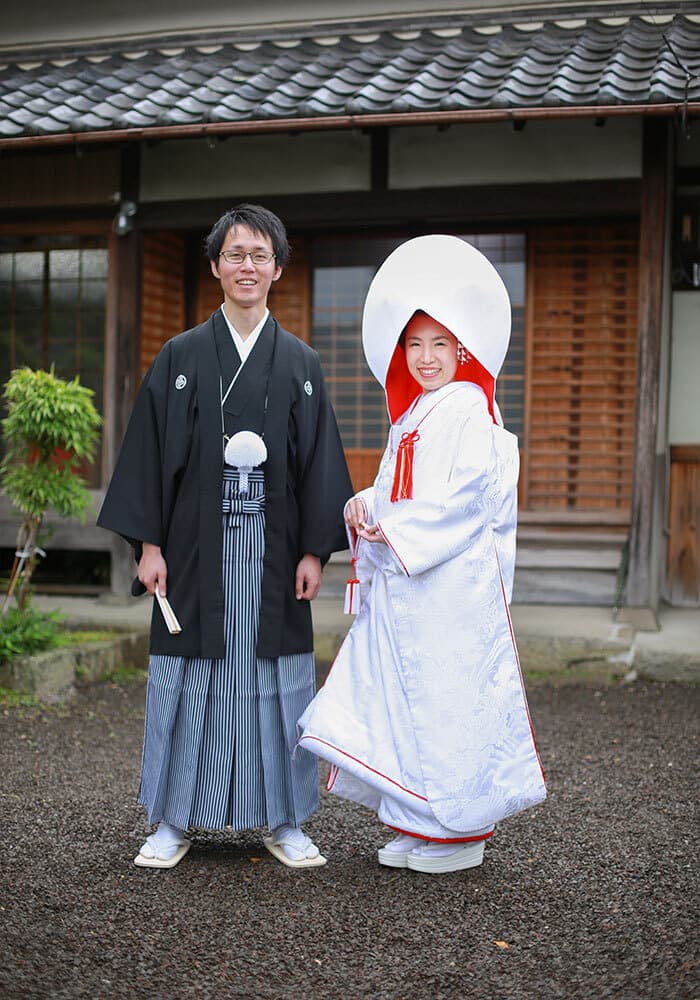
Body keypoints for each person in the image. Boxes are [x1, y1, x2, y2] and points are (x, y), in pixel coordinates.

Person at [98, 204, 353, 869]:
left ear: (277, 268)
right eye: (235, 254)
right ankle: (175, 820)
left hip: (274, 554)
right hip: (190, 550)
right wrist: (148, 549)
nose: (248, 266)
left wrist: (311, 551)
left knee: (278, 684)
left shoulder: (299, 362)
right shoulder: (180, 357)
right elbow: (149, 457)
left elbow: (318, 464)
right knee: (190, 680)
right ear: (215, 266)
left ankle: (284, 820)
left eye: (260, 255)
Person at [298, 235, 546, 874]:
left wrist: (394, 530)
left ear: (462, 350)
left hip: (450, 590)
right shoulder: (412, 417)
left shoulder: (471, 413)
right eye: (415, 344)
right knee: (405, 706)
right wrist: (366, 505)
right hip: (410, 587)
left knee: (446, 704)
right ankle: (417, 822)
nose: (427, 357)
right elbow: (397, 494)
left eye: (441, 344)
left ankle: (460, 833)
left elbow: (464, 499)